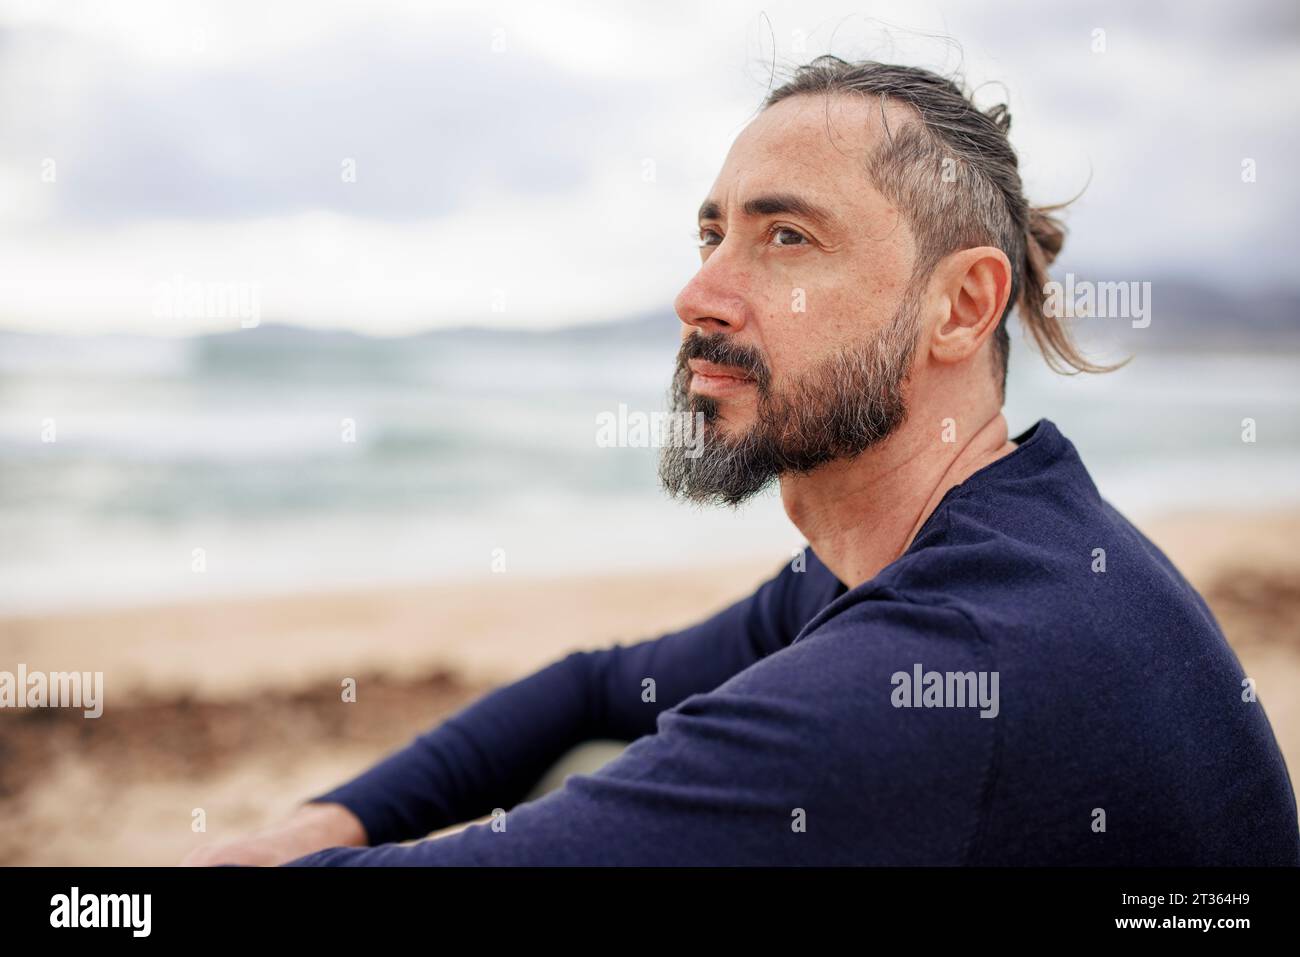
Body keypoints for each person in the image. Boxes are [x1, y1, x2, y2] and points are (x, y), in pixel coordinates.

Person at [183, 57, 1300, 867]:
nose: (700, 293)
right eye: (710, 234)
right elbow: (594, 684)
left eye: (785, 238)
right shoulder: (958, 547)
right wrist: (322, 822)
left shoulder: (951, 659)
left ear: (960, 308)